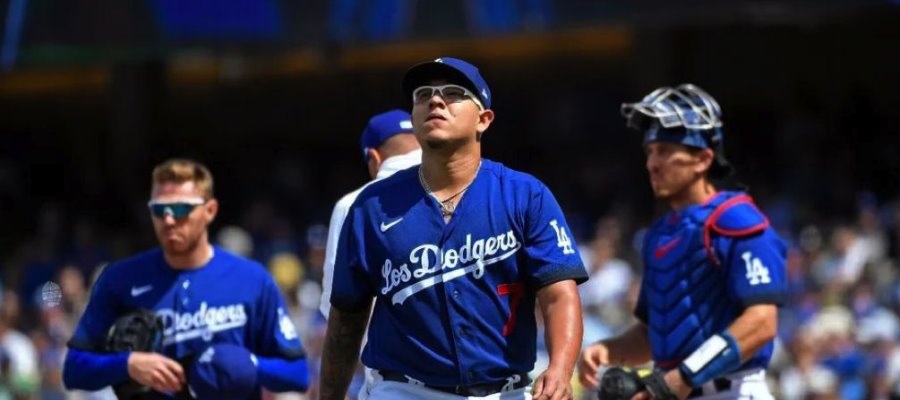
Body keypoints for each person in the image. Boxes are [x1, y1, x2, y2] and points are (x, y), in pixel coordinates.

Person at [320, 57, 588, 400]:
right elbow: (346, 321)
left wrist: (561, 368)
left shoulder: (525, 195)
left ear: (484, 119)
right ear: (414, 119)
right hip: (404, 390)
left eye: (452, 93)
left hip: (504, 391)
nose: (435, 100)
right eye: (423, 95)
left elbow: (559, 294)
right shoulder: (371, 207)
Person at [578, 84, 787, 399]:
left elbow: (761, 322)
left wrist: (684, 376)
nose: (652, 164)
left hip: (733, 391)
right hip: (673, 390)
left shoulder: (736, 221)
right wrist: (609, 349)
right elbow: (657, 335)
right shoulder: (660, 233)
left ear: (702, 159)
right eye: (649, 152)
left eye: (664, 151)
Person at [62, 158, 309, 399]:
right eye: (159, 210)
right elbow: (74, 370)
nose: (169, 220)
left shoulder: (253, 279)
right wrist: (128, 364)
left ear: (209, 210)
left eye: (181, 209)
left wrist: (248, 364)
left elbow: (298, 374)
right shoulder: (120, 279)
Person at [320, 109, 422, 320]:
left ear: (374, 158)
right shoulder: (459, 184)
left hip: (390, 348)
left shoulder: (353, 205)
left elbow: (335, 301)